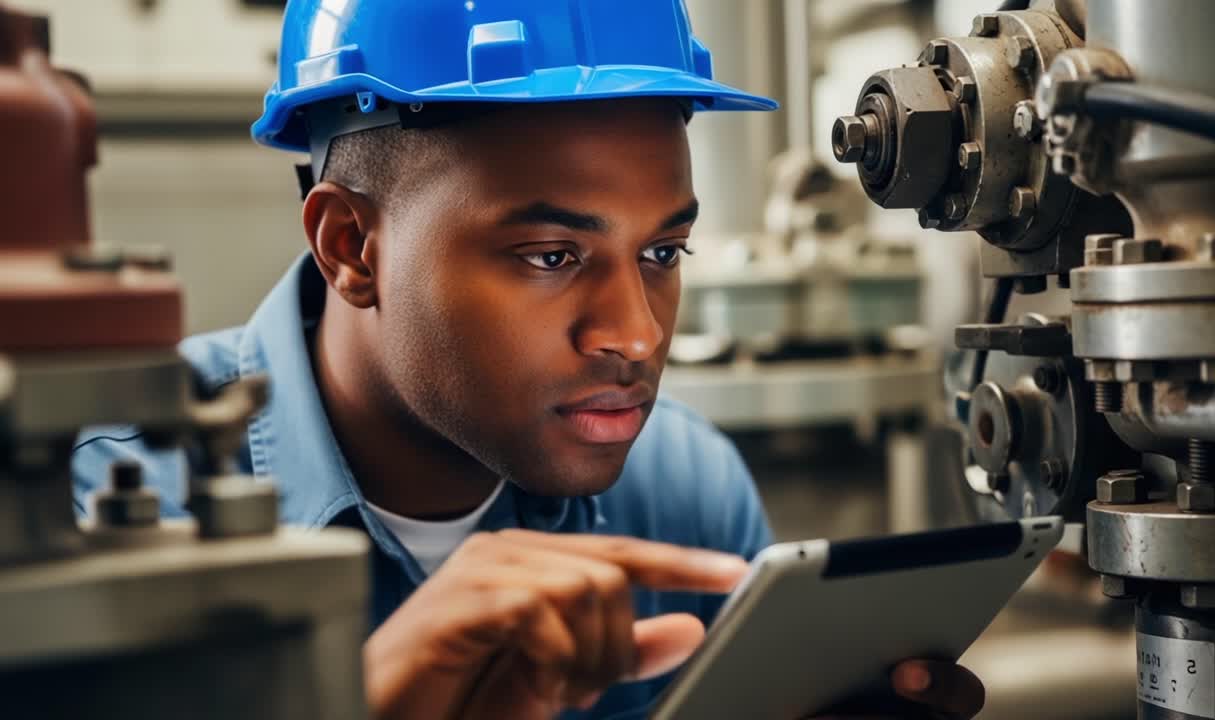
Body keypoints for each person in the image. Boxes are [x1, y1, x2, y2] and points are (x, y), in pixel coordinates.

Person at [72, 2, 984, 718]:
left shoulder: (684, 488)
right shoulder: (105, 509)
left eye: (663, 253)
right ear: (352, 247)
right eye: (551, 256)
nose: (635, 334)